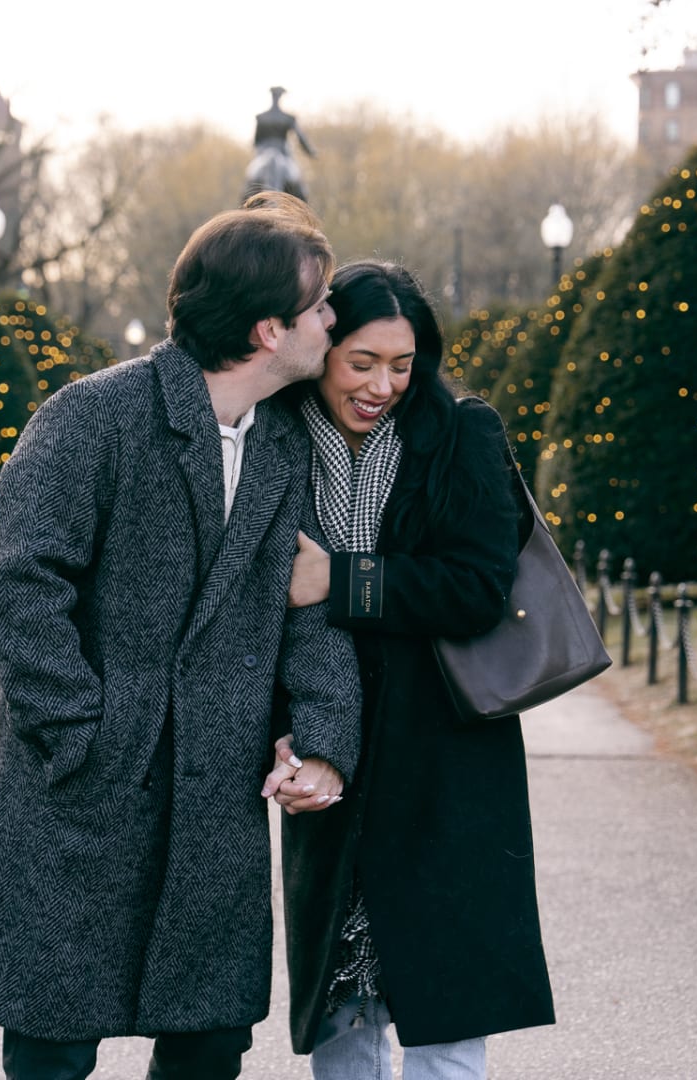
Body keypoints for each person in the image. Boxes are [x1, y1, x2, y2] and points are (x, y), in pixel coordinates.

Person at [0, 192, 362, 1080]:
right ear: (269, 331)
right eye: (320, 304)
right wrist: (79, 734)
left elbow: (309, 607)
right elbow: (16, 583)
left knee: (207, 1050)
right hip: (83, 792)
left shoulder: (287, 445)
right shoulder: (95, 416)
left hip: (216, 802)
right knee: (53, 1050)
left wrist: (323, 742)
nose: (334, 318)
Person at [269, 261, 555, 1078]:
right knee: (342, 1011)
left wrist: (342, 579)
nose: (382, 386)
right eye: (362, 363)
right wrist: (283, 733)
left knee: (448, 1012)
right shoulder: (277, 440)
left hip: (446, 756)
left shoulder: (462, 433)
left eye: (402, 365)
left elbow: (478, 589)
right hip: (334, 745)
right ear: (322, 349)